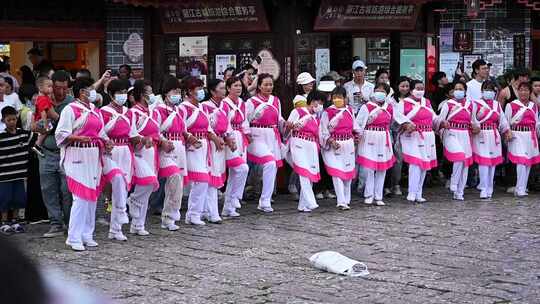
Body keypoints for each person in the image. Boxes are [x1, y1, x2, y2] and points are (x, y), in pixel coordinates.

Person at [55, 78, 112, 251]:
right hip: (76, 153)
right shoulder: (70, 110)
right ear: (82, 92)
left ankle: (87, 234)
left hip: (93, 154)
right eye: (89, 88)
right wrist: (77, 137)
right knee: (80, 197)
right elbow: (61, 134)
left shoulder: (95, 110)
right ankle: (73, 237)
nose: (93, 91)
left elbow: (101, 131)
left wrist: (107, 142)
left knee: (92, 195)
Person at [356, 82, 410, 206]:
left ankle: (378, 195)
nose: (380, 93)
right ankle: (369, 194)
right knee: (369, 167)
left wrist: (407, 124)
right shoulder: (367, 107)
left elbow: (399, 118)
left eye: (383, 91)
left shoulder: (389, 108)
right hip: (369, 137)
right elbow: (358, 124)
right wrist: (357, 136)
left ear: (387, 94)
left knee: (382, 168)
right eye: (377, 90)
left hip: (383, 138)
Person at [99, 79, 136, 241]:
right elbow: (99, 133)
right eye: (118, 93)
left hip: (125, 151)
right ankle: (120, 213)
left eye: (124, 92)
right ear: (111, 95)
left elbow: (133, 134)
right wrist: (106, 142)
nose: (122, 96)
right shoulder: (103, 112)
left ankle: (115, 229)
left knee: (123, 188)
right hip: (110, 152)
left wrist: (144, 139)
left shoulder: (129, 112)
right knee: (117, 182)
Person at [38, 70, 73, 238]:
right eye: (57, 88)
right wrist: (42, 124)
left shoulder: (72, 103)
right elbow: (33, 125)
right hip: (46, 152)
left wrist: (54, 121)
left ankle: (69, 221)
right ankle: (55, 223)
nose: (60, 92)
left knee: (67, 190)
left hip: (66, 152)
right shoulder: (42, 99)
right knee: (48, 189)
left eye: (64, 88)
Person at [155, 77, 191, 230]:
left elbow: (183, 130)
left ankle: (169, 217)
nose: (177, 94)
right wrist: (163, 141)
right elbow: (154, 130)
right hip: (165, 149)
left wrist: (190, 137)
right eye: (174, 91)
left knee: (176, 185)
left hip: (180, 148)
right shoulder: (157, 110)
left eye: (179, 91)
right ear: (166, 92)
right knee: (174, 177)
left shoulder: (179, 110)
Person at [245, 73, 285, 213]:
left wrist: (286, 125)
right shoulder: (251, 102)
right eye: (265, 84)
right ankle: (262, 199)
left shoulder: (276, 100)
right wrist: (247, 135)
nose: (269, 87)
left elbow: (279, 119)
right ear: (259, 86)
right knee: (269, 163)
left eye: (271, 84)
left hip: (272, 135)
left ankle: (265, 200)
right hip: (257, 135)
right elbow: (246, 120)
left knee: (272, 167)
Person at [126, 80, 161, 235]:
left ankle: (138, 224)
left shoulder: (153, 112)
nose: (152, 94)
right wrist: (142, 139)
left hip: (151, 151)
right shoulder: (133, 112)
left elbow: (157, 132)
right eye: (149, 92)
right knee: (147, 182)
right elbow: (131, 133)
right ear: (141, 95)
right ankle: (132, 200)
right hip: (138, 151)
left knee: (147, 189)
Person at [179, 77, 213, 225]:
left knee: (203, 181)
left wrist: (215, 139)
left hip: (204, 145)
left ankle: (197, 213)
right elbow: (180, 127)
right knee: (201, 179)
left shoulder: (203, 107)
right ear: (189, 91)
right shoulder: (183, 108)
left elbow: (209, 127)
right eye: (198, 89)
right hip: (191, 146)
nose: (201, 92)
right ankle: (192, 213)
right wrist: (189, 138)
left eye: (201, 88)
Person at [202, 79, 237, 223]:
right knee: (212, 177)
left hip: (221, 144)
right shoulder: (204, 106)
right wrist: (215, 138)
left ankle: (205, 210)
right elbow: (205, 127)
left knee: (217, 176)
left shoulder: (224, 106)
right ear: (212, 91)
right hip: (211, 143)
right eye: (221, 88)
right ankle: (213, 212)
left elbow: (228, 126)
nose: (224, 91)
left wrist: (230, 139)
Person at [398, 80, 438, 203]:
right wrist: (406, 124)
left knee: (424, 165)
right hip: (413, 135)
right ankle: (411, 192)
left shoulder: (427, 102)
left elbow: (434, 117)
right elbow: (397, 118)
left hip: (428, 135)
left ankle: (419, 192)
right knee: (415, 163)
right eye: (417, 88)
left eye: (422, 88)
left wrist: (441, 122)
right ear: (411, 90)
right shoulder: (403, 103)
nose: (420, 91)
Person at [319, 86, 359, 210]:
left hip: (348, 144)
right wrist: (330, 140)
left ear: (345, 98)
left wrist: (357, 136)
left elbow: (355, 127)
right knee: (337, 173)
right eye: (334, 97)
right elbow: (323, 130)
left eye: (339, 97)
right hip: (334, 146)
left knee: (347, 173)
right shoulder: (328, 112)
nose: (337, 99)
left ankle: (347, 199)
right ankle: (341, 200)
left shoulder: (349, 111)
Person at [436, 81, 476, 201]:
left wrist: (476, 126)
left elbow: (473, 120)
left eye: (461, 88)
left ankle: (460, 191)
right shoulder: (448, 104)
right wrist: (443, 124)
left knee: (465, 163)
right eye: (456, 89)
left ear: (465, 91)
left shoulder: (471, 104)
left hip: (465, 134)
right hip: (451, 133)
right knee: (459, 156)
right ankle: (453, 181)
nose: (458, 91)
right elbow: (439, 120)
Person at [471, 80, 510, 199]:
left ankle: (490, 187)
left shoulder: (497, 105)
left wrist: (507, 130)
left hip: (494, 134)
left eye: (491, 90)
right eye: (486, 89)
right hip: (481, 134)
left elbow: (502, 120)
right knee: (484, 161)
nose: (489, 92)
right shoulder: (475, 103)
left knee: (492, 162)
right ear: (482, 91)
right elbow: (471, 119)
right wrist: (477, 119)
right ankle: (483, 187)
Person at [0, 106, 36, 234]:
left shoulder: (24, 134)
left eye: (14, 119)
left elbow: (36, 134)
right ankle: (4, 222)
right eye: (9, 120)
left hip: (19, 174)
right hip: (4, 175)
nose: (12, 122)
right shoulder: (1, 137)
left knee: (19, 199)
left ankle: (15, 220)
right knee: (5, 199)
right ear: (3, 120)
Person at [284, 92, 321, 212]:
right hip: (298, 143)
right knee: (303, 172)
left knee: (309, 174)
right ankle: (311, 201)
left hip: (311, 146)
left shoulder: (316, 117)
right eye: (319, 102)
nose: (320, 105)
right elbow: (286, 131)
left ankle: (302, 204)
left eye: (322, 103)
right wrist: (289, 127)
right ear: (312, 101)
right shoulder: (297, 112)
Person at [505, 82, 540, 197]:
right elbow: (506, 122)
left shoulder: (533, 106)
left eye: (526, 90)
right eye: (521, 90)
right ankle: (519, 188)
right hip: (516, 135)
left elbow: (536, 123)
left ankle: (522, 188)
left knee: (528, 162)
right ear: (518, 91)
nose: (523, 92)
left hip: (530, 135)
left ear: (530, 92)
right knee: (521, 161)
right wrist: (507, 133)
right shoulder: (511, 105)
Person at [222, 76, 250, 217]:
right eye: (235, 86)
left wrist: (247, 133)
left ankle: (229, 206)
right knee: (242, 168)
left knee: (235, 173)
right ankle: (236, 197)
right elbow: (224, 122)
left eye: (240, 85)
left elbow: (244, 121)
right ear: (228, 88)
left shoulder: (242, 103)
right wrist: (228, 137)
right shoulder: (224, 104)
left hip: (241, 137)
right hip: (230, 137)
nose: (238, 88)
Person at [384, 76, 411, 196]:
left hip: (410, 132)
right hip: (396, 132)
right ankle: (394, 184)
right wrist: (404, 123)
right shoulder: (391, 100)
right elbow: (394, 116)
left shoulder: (412, 99)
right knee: (397, 160)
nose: (405, 88)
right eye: (402, 86)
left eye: (407, 86)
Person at [33, 77, 59, 153]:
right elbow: (43, 112)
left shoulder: (45, 97)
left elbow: (50, 104)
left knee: (48, 129)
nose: (51, 89)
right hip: (42, 120)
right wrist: (45, 124)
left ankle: (38, 143)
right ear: (40, 88)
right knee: (49, 128)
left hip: (43, 120)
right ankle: (38, 144)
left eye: (52, 86)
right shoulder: (42, 99)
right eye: (49, 86)